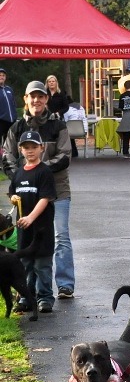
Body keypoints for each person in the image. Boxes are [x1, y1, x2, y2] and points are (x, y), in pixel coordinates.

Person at [2, 80, 75, 300]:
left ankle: (64, 285)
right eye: (32, 96)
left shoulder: (58, 125)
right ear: (25, 99)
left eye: (41, 96)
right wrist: (22, 178)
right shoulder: (16, 127)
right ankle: (26, 290)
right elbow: (7, 157)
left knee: (61, 236)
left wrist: (39, 171)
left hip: (58, 190)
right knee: (27, 240)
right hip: (26, 196)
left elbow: (65, 155)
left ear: (46, 99)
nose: (36, 100)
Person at [9, 130, 56, 313]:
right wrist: (13, 197)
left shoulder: (44, 172)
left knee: (42, 265)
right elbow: (13, 192)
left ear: (41, 148)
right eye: (26, 147)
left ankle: (45, 297)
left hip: (41, 229)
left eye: (34, 147)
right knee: (25, 264)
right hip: (24, 230)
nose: (30, 151)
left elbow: (45, 198)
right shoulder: (18, 173)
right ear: (20, 150)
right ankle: (27, 297)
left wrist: (31, 218)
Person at [0, 66, 17, 146]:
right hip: (1, 120)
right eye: (0, 75)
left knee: (9, 143)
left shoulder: (9, 89)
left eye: (3, 75)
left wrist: (15, 116)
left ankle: (7, 158)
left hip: (11, 121)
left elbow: (13, 103)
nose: (1, 77)